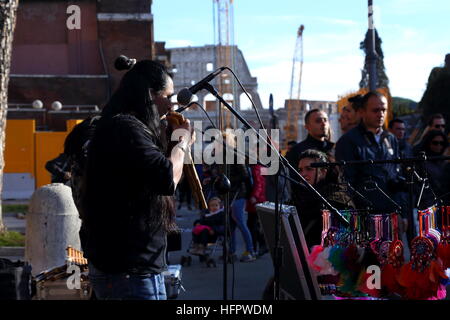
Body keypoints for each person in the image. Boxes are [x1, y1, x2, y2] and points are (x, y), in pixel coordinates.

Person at [79, 57, 194, 300]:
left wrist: (174, 143)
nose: (171, 107)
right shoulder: (126, 128)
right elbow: (166, 179)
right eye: (168, 97)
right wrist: (182, 142)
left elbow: (161, 175)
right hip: (129, 270)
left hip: (133, 268)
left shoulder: (124, 127)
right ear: (151, 94)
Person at [335, 91, 404, 215]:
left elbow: (395, 174)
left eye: (384, 110)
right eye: (375, 110)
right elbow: (347, 183)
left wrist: (402, 213)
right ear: (362, 112)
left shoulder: (390, 139)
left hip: (391, 212)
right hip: (365, 215)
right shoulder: (348, 141)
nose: (381, 114)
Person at [294, 149, 353, 248]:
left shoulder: (337, 198)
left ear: (323, 172)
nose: (303, 174)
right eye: (300, 170)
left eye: (309, 169)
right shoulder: (302, 196)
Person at [414, 130, 449, 208]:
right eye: (435, 143)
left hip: (445, 205)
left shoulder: (445, 161)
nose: (439, 146)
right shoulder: (421, 162)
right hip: (429, 206)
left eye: (441, 143)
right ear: (428, 143)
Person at [246, 159, 268, 257]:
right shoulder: (257, 167)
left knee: (253, 225)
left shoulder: (255, 168)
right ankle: (259, 246)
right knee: (253, 224)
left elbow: (258, 184)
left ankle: (257, 247)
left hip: (256, 200)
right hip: (258, 199)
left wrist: (254, 196)